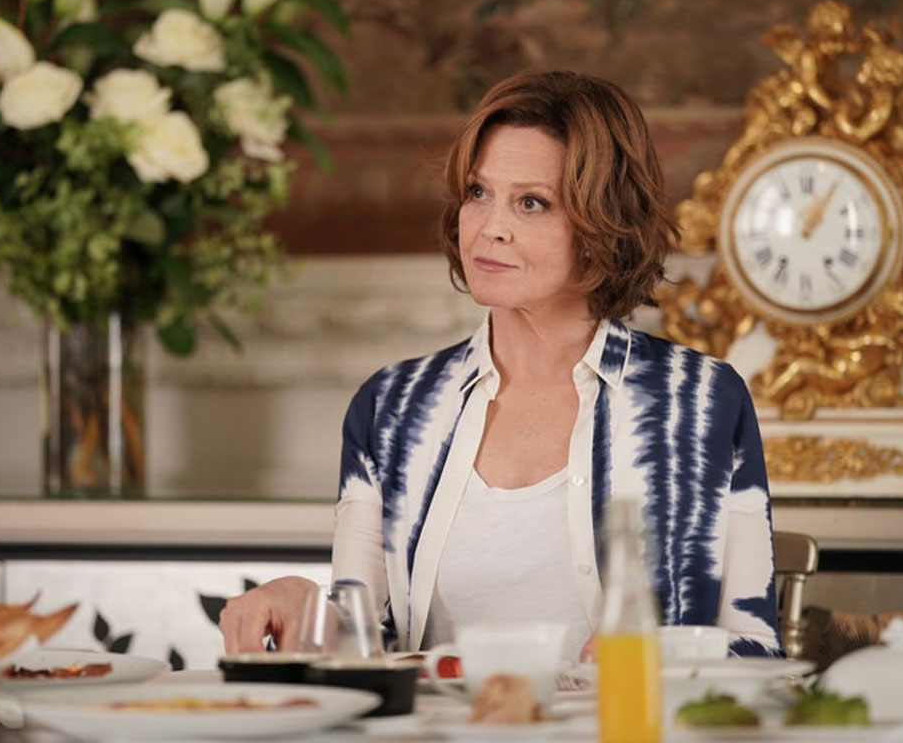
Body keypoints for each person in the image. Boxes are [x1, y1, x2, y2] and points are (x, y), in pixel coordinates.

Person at [219, 70, 782, 662]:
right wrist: (304, 604)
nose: (490, 228)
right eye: (477, 193)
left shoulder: (700, 401)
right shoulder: (392, 406)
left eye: (531, 203)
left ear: (603, 223)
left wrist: (658, 654)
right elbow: (368, 643)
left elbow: (759, 651)